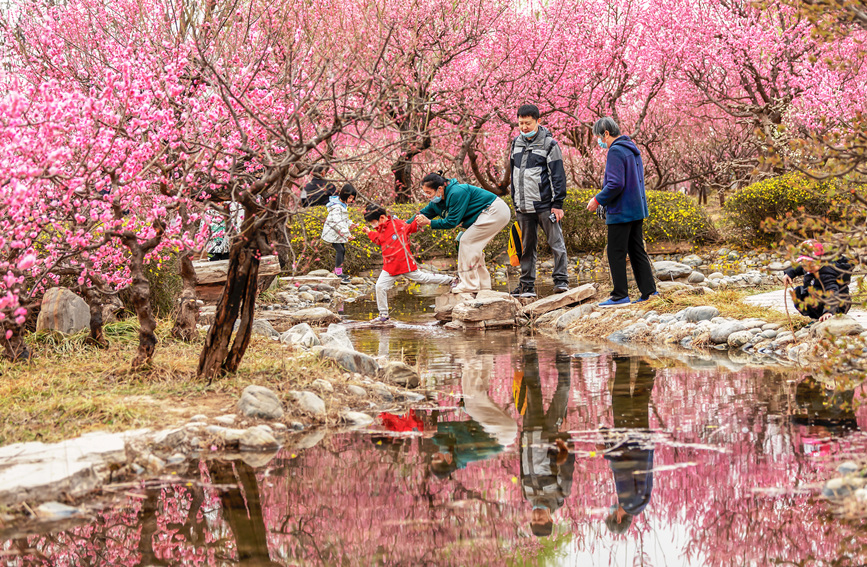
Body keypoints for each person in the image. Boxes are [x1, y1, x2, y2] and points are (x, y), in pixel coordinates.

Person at [586, 117, 658, 307]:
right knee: (636, 251)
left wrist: (597, 200)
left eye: (598, 138)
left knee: (615, 252)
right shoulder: (632, 149)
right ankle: (649, 292)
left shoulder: (616, 151)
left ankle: (619, 295)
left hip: (621, 211)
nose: (599, 142)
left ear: (606, 133)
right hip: (636, 209)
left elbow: (616, 183)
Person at [509, 104, 570, 297]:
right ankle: (527, 286)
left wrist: (557, 204)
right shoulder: (515, 143)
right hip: (523, 206)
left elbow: (558, 175)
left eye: (528, 123)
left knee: (556, 243)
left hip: (545, 205)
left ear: (538, 121)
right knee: (526, 247)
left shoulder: (550, 144)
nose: (524, 127)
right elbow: (513, 174)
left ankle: (561, 282)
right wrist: (515, 201)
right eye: (521, 123)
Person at [416, 172, 511, 294]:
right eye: (425, 193)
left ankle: (469, 285)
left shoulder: (457, 192)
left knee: (466, 241)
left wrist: (429, 223)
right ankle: (483, 286)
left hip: (494, 211)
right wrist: (402, 226)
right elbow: (421, 215)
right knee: (473, 247)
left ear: (440, 188)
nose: (427, 196)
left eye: (429, 193)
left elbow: (451, 222)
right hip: (489, 213)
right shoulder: (437, 203)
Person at [515, 347, 574, 538]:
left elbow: (522, 467)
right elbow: (567, 464)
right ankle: (563, 354)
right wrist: (565, 437)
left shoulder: (528, 495)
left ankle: (530, 350)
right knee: (563, 389)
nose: (536, 516)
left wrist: (521, 441)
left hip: (530, 434)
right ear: (551, 519)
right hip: (551, 434)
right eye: (540, 519)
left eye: (533, 520)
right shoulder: (560, 494)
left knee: (532, 388)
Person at [364, 205, 455, 323]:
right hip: (390, 267)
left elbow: (411, 228)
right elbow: (379, 240)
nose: (373, 225)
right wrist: (368, 232)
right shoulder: (381, 229)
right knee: (379, 287)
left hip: (404, 264)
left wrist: (418, 221)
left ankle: (451, 280)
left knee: (423, 278)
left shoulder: (398, 224)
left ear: (382, 217)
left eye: (373, 222)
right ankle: (383, 315)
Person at [602, 357, 656, 535]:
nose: (610, 510)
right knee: (621, 398)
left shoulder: (641, 503)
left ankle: (649, 361)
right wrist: (607, 448)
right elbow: (623, 466)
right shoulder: (628, 501)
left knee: (641, 398)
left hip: (643, 442)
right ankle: (623, 359)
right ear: (618, 518)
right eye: (611, 514)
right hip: (630, 441)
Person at [782, 239, 852, 322]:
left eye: (811, 263)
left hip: (837, 304)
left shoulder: (827, 273)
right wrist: (789, 274)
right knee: (798, 293)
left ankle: (829, 316)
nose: (808, 267)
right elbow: (799, 268)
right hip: (820, 301)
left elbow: (832, 293)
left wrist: (829, 311)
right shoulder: (810, 268)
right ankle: (816, 318)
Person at [321, 184, 357, 284]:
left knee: (342, 249)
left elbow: (344, 219)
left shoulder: (342, 205)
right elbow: (337, 222)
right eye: (349, 198)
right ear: (344, 195)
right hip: (333, 233)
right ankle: (338, 274)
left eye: (352, 198)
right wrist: (347, 234)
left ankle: (339, 271)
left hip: (338, 233)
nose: (350, 200)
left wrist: (351, 224)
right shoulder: (336, 207)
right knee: (340, 250)